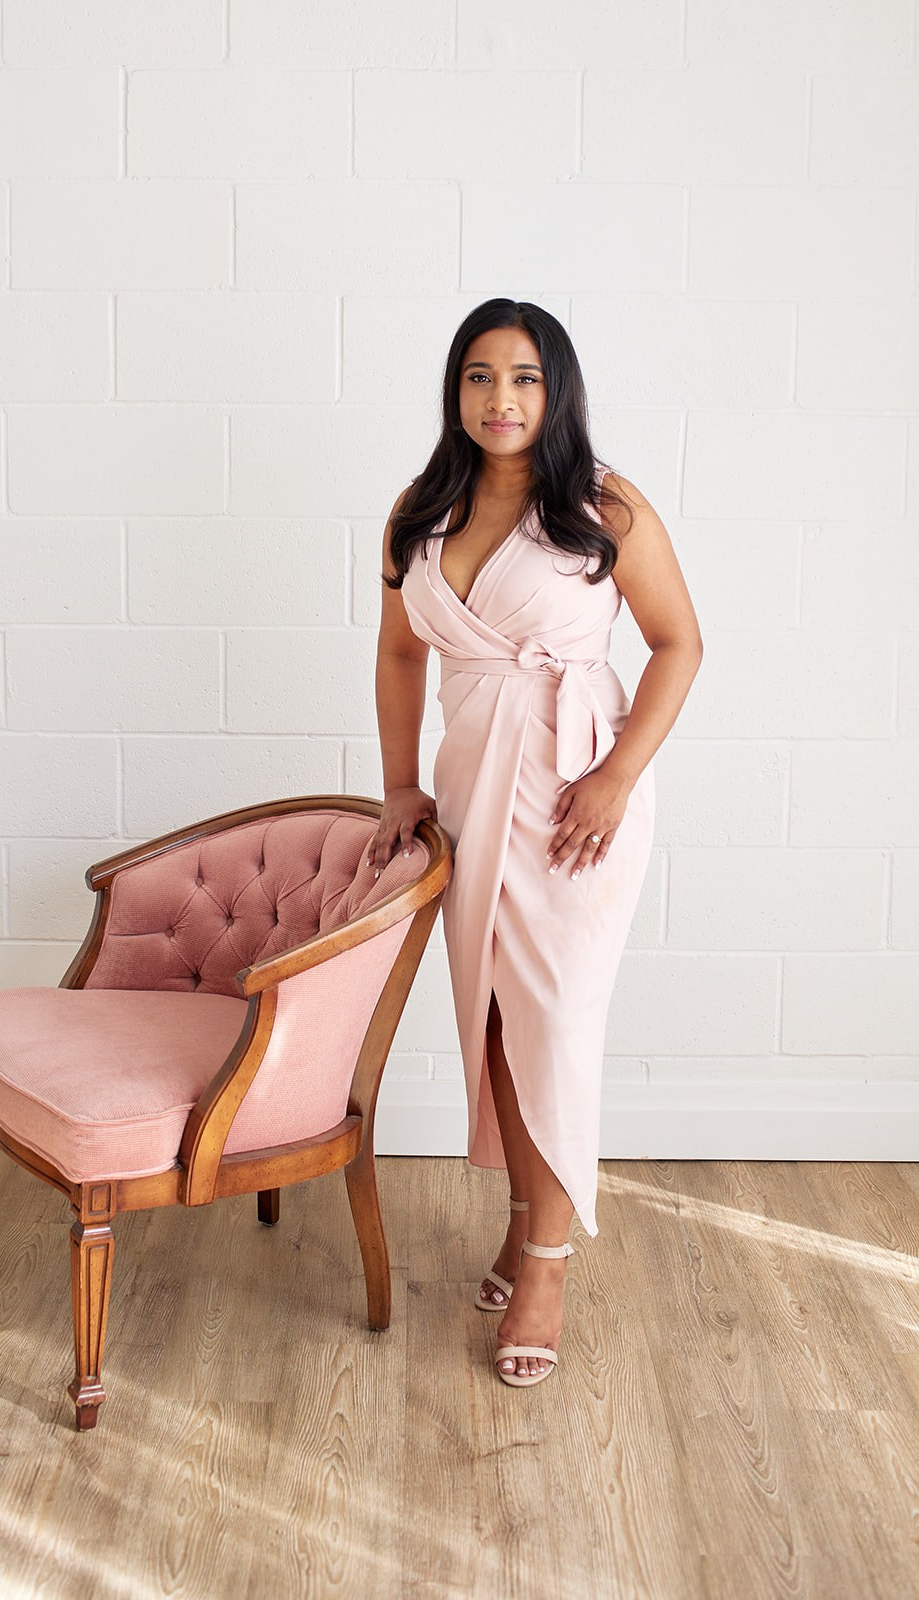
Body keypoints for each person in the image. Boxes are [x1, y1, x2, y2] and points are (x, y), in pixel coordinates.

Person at [366, 299, 703, 1388]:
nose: (498, 399)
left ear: (554, 390)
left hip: (572, 795)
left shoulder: (604, 505)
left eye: (521, 377)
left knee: (554, 1018)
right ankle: (520, 1220)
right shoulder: (417, 512)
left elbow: (676, 644)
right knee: (498, 1018)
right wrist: (400, 786)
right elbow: (400, 659)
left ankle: (548, 1263)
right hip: (470, 788)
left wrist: (615, 774)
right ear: (453, 391)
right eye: (476, 376)